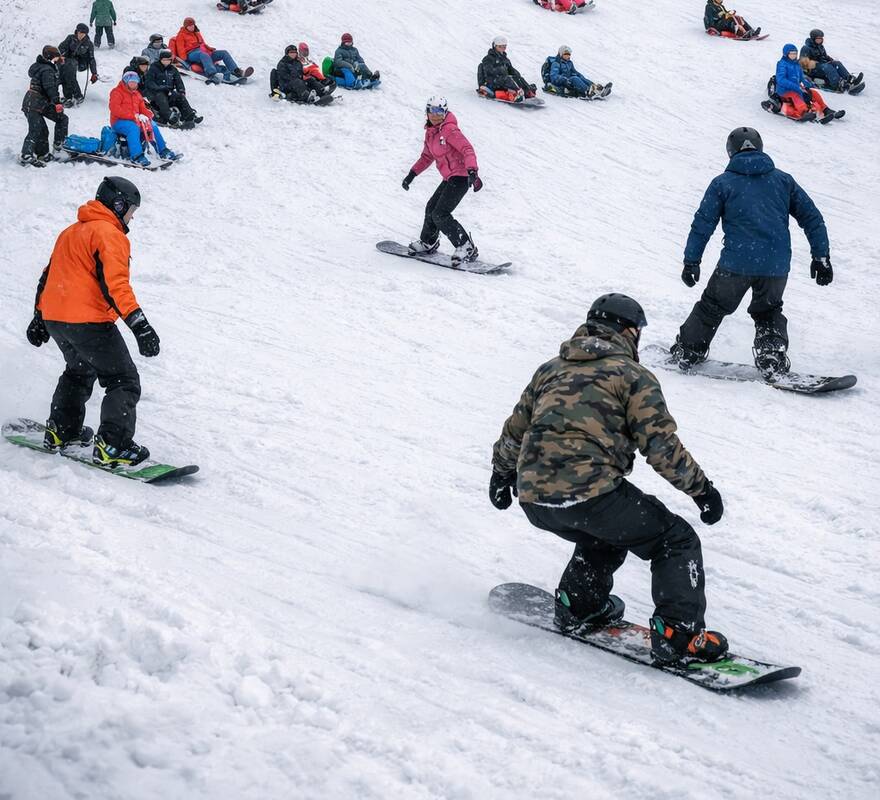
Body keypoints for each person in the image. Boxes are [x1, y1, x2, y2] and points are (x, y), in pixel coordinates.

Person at [489, 293, 728, 665]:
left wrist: (501, 474)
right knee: (674, 539)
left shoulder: (550, 370)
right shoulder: (632, 376)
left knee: (607, 531)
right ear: (629, 331)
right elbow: (660, 445)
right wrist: (703, 491)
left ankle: (580, 605)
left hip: (534, 499)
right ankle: (679, 635)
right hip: (591, 494)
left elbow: (514, 430)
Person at [670, 128, 832, 377]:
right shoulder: (782, 180)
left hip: (736, 264)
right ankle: (771, 356)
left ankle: (688, 351)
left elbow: (702, 225)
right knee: (768, 311)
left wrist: (692, 261)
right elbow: (811, 217)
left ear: (730, 152)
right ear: (760, 148)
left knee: (712, 307)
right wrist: (821, 256)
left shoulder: (722, 183)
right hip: (775, 266)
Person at [26, 177, 159, 466]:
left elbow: (48, 277)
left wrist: (39, 317)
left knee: (79, 370)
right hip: (88, 322)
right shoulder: (109, 234)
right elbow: (116, 286)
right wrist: (140, 326)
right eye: (131, 210)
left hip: (56, 318)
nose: (132, 217)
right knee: (123, 379)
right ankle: (114, 446)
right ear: (118, 204)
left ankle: (63, 431)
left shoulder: (71, 232)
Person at [401, 97, 481, 266]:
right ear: (427, 113)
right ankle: (428, 242)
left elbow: (467, 149)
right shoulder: (431, 133)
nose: (435, 116)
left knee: (440, 214)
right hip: (450, 177)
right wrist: (412, 174)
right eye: (432, 111)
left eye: (439, 112)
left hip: (462, 176)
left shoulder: (449, 130)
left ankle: (466, 246)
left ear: (444, 113)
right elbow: (426, 157)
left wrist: (472, 170)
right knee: (431, 208)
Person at [109, 71, 180, 166]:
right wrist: (133, 116)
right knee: (133, 128)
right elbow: (115, 109)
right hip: (118, 121)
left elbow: (143, 108)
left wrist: (148, 115)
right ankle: (136, 156)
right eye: (131, 81)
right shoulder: (117, 92)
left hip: (135, 120)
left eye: (135, 82)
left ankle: (163, 151)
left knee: (153, 125)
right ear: (125, 81)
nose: (133, 84)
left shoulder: (137, 94)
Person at [20, 46, 68, 167]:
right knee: (36, 129)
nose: (58, 59)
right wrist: (57, 102)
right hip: (33, 103)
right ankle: (26, 155)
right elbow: (50, 87)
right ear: (51, 57)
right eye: (56, 56)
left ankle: (47, 152)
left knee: (61, 119)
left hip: (39, 103)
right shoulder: (47, 70)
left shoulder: (45, 67)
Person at [773, 43, 841, 123]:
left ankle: (825, 109)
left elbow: (801, 77)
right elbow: (781, 80)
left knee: (813, 93)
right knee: (796, 95)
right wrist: (795, 87)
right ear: (786, 54)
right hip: (784, 90)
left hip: (797, 87)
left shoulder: (796, 64)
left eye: (795, 53)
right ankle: (804, 112)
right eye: (791, 54)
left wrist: (807, 83)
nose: (794, 55)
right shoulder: (782, 64)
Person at [172, 17, 250, 84]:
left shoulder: (197, 33)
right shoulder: (181, 35)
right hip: (191, 54)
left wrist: (209, 49)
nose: (192, 27)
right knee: (203, 54)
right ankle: (212, 74)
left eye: (193, 25)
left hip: (202, 52)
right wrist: (185, 61)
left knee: (223, 53)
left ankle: (236, 71)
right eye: (190, 26)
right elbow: (180, 48)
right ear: (186, 26)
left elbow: (202, 44)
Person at [144, 50, 202, 128]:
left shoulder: (173, 69)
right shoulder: (154, 68)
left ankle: (189, 115)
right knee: (161, 97)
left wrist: (181, 90)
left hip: (168, 92)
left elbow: (178, 81)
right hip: (155, 94)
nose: (166, 62)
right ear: (160, 59)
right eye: (164, 60)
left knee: (180, 97)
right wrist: (160, 88)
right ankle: (170, 117)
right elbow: (149, 82)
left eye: (168, 60)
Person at [478, 36, 536, 102]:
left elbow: (511, 70)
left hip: (502, 80)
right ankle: (517, 94)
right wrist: (501, 70)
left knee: (517, 78)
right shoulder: (488, 58)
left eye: (504, 46)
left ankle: (528, 92)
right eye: (500, 46)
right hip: (492, 81)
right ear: (494, 46)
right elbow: (489, 71)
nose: (502, 48)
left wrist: (517, 75)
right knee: (507, 78)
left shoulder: (505, 59)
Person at [543, 45, 611, 99]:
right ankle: (587, 91)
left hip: (568, 80)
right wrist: (564, 79)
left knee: (579, 77)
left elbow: (575, 72)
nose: (568, 56)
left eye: (569, 54)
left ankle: (597, 88)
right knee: (574, 78)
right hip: (560, 81)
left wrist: (581, 77)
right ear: (561, 53)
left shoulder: (569, 62)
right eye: (566, 54)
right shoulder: (556, 63)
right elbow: (554, 76)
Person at [58, 23, 98, 106]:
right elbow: (61, 47)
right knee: (63, 74)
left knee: (69, 71)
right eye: (79, 32)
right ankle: (68, 96)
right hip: (67, 60)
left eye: (83, 34)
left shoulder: (89, 44)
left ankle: (77, 95)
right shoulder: (70, 38)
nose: (80, 35)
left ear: (86, 34)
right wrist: (63, 54)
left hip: (81, 63)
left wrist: (94, 73)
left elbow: (91, 59)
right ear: (77, 31)